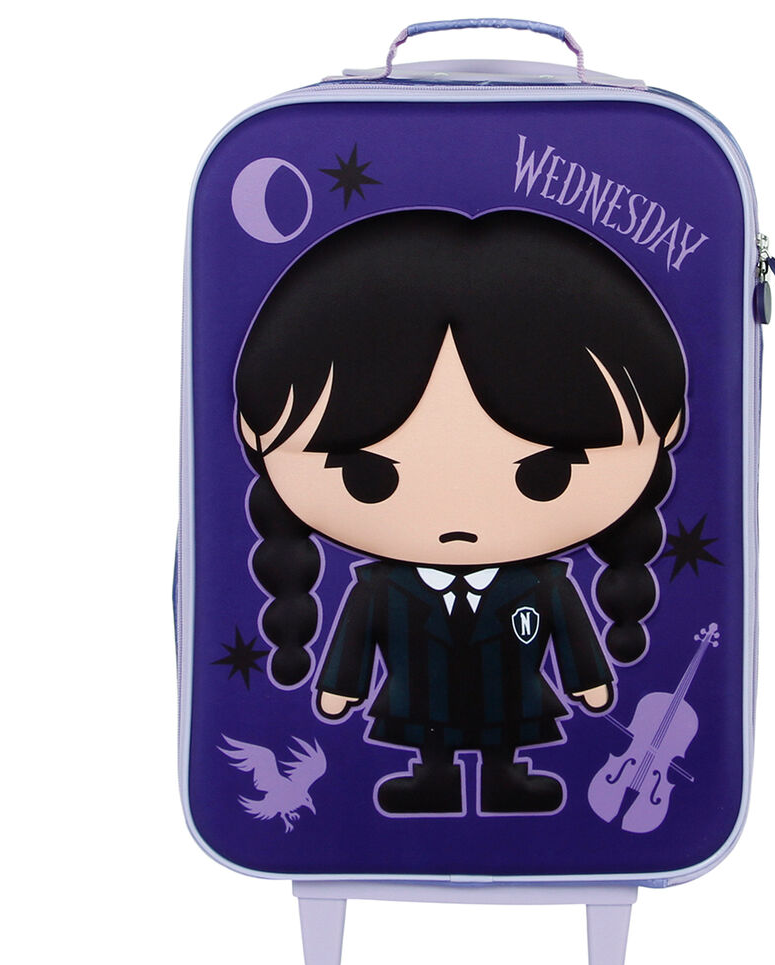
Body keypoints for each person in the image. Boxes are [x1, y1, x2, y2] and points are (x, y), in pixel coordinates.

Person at [234, 209, 687, 816]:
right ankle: (431, 780)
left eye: (545, 474)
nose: (459, 519)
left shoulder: (544, 585)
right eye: (368, 476)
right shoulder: (378, 590)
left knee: (506, 744)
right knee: (432, 749)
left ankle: (507, 779)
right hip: (420, 706)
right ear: (254, 433)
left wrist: (588, 679)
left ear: (668, 427)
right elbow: (355, 640)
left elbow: (571, 636)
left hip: (511, 703)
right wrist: (340, 687)